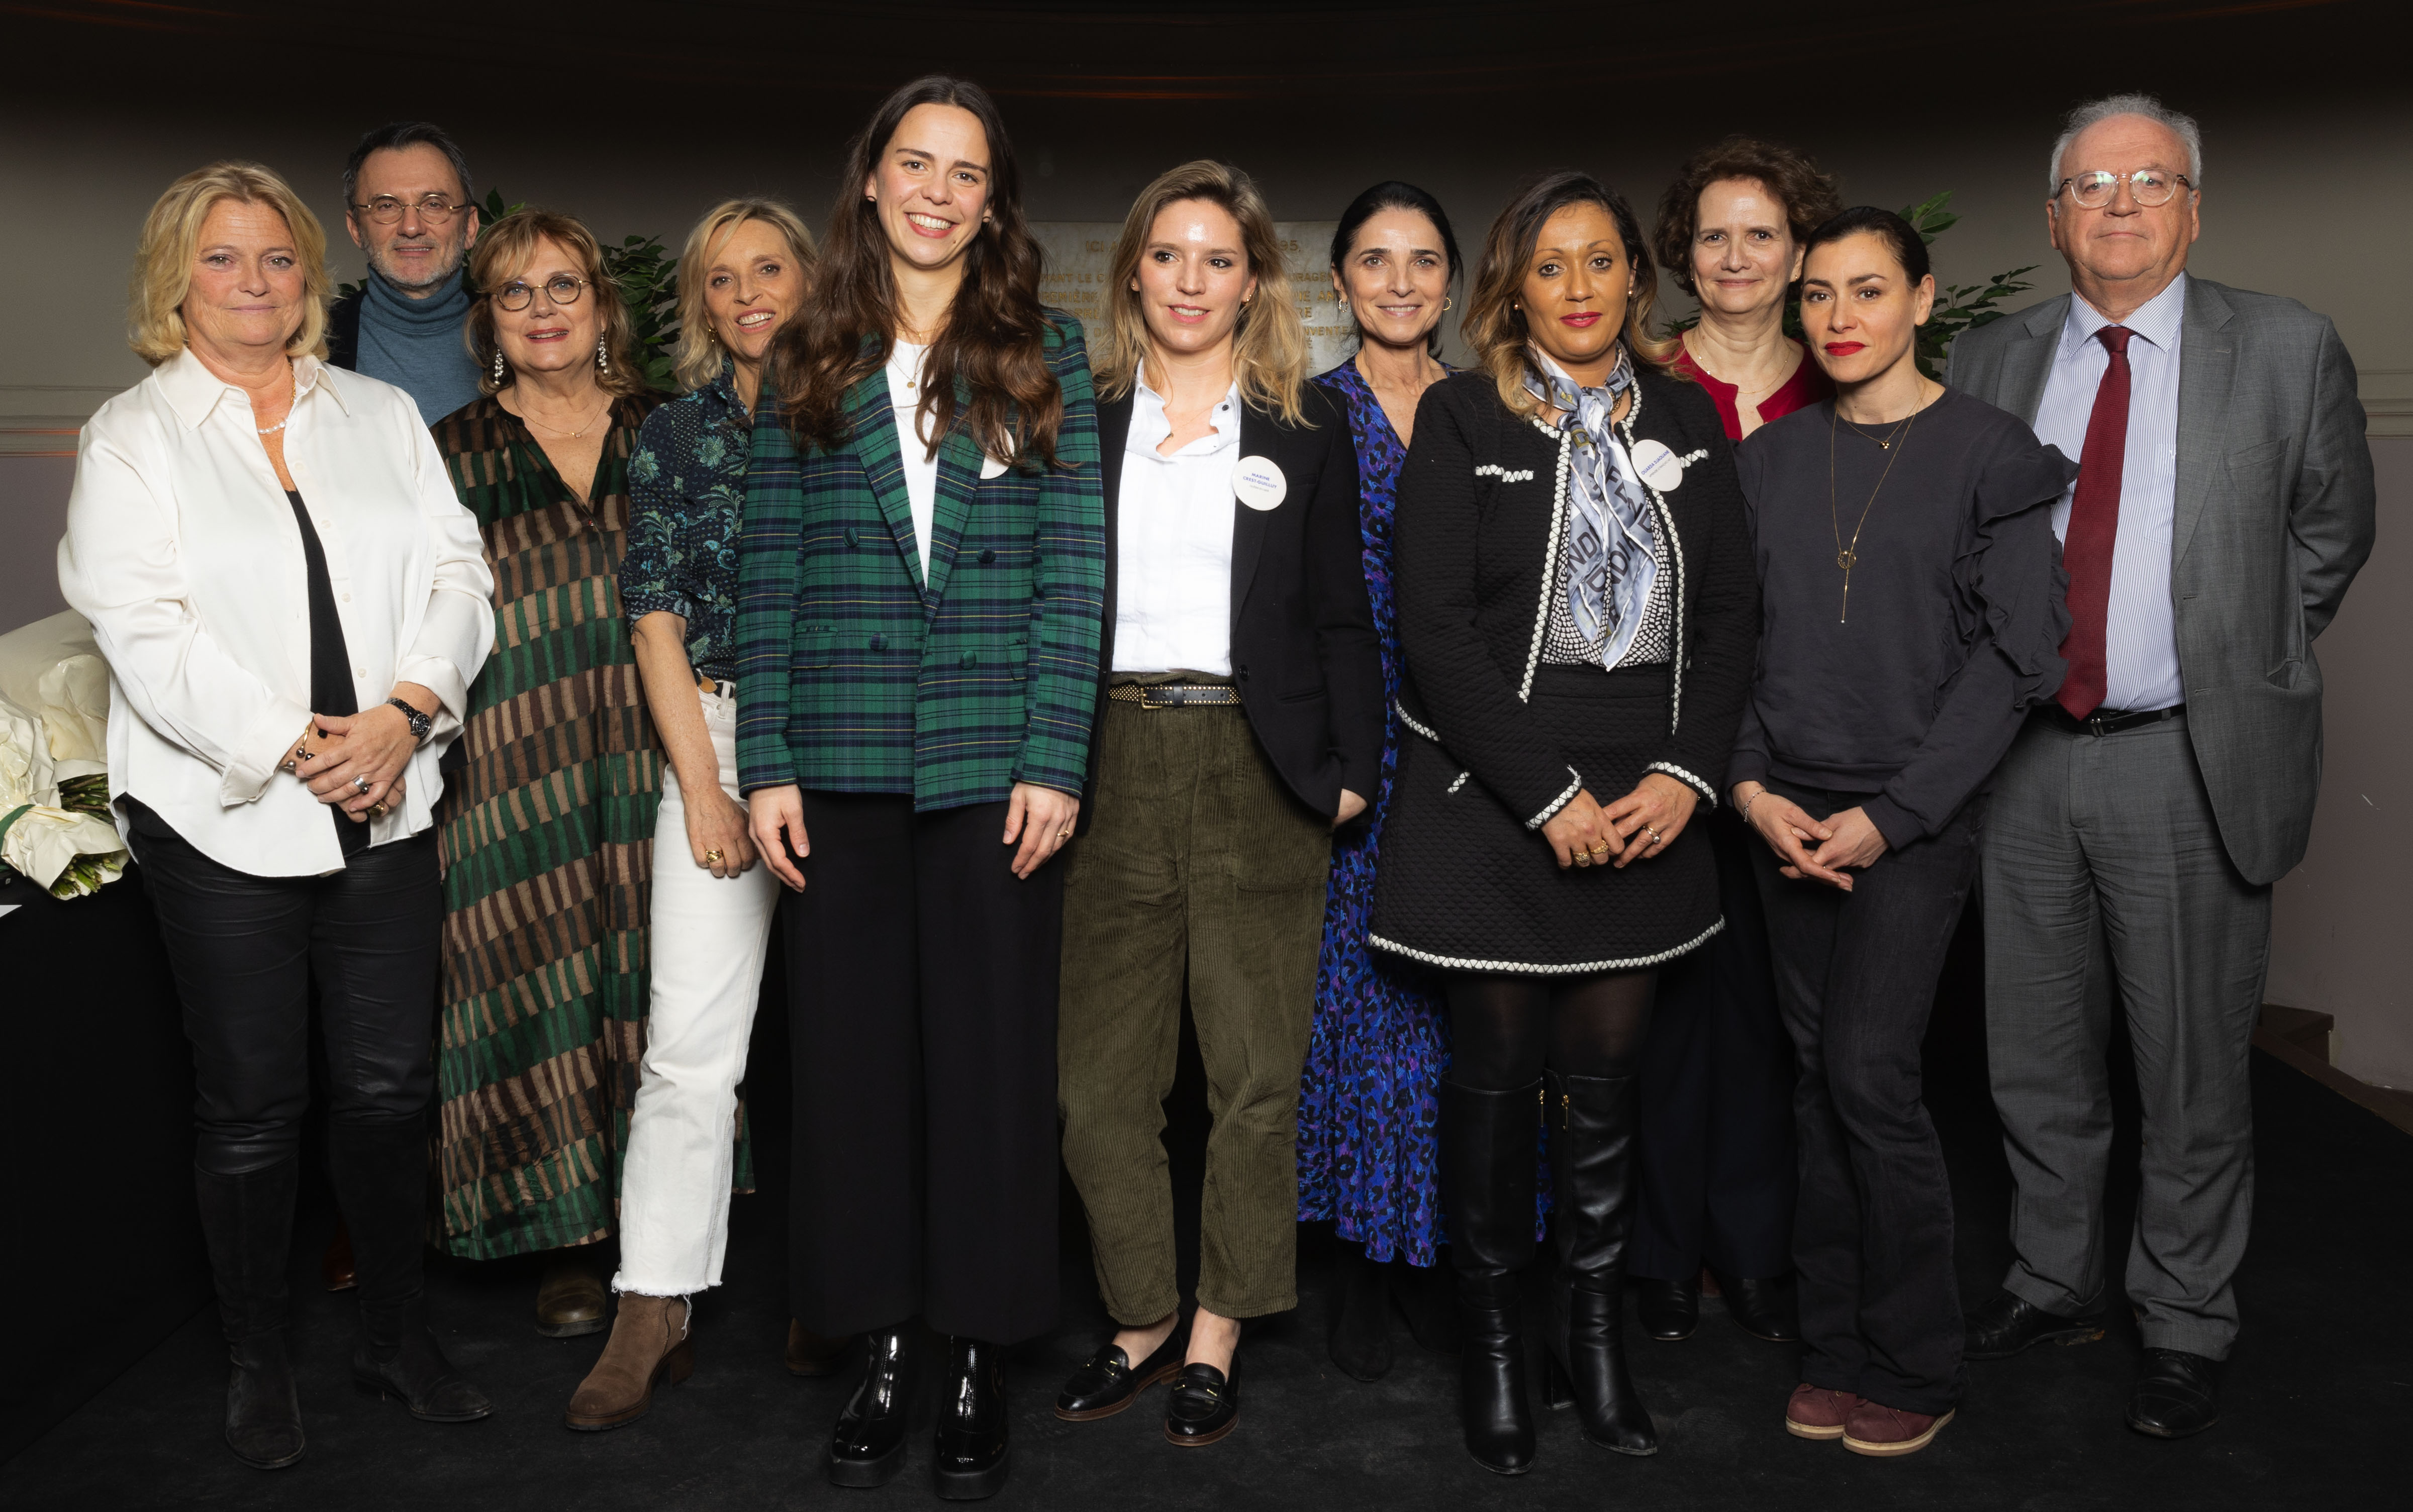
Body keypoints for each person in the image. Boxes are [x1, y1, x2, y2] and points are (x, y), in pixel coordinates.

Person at [59, 161, 495, 1469]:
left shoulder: (379, 412)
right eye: (222, 257)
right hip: (220, 815)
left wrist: (406, 713)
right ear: (174, 280)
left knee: (389, 1092)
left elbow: (458, 570)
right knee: (253, 1104)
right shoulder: (132, 435)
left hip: (388, 794)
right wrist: (304, 748)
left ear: (312, 274)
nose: (254, 282)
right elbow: (142, 629)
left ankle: (395, 1336)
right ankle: (258, 1359)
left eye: (278, 257)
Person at [1951, 93, 2375, 1440]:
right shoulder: (1992, 357)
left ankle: (2183, 1316)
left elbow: (2330, 533)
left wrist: (2236, 659)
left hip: (2186, 761)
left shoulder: (2286, 346)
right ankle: (2050, 1277)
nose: (2119, 204)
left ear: (2193, 207)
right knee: (2031, 1054)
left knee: (2189, 1069)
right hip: (2020, 761)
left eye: (2148, 180)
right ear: (2052, 217)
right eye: (2090, 185)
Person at [736, 75, 1104, 1499]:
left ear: (992, 200)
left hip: (992, 767)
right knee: (851, 1072)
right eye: (914, 163)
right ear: (872, 180)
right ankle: (881, 1340)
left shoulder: (1044, 349)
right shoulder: (806, 351)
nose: (937, 191)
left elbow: (1075, 573)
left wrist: (1055, 756)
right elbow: (770, 571)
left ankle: (974, 1351)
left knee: (991, 1070)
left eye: (965, 171)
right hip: (837, 764)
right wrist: (767, 762)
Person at [1371, 171, 1757, 1475]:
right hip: (1495, 801)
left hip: (1647, 807)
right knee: (1493, 1080)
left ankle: (1594, 1341)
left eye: (1601, 262)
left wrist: (1685, 776)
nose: (1579, 288)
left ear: (1636, 279)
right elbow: (1435, 633)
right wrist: (1547, 795)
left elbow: (1730, 618)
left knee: (1606, 1087)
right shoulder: (1462, 414)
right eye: (1550, 266)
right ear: (1513, 288)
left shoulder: (1689, 417)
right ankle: (1494, 1345)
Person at [1729, 207, 2074, 1459]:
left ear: (1922, 299)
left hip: (1909, 818)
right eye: (1817, 293)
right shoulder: (1768, 460)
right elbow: (1735, 643)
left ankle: (1914, 1358)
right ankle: (1833, 1344)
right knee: (1815, 1081)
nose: (1838, 317)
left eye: (1867, 289)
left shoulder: (1990, 452)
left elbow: (2018, 657)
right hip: (1782, 813)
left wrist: (1894, 815)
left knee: (1870, 1076)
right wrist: (1747, 785)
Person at [1051, 160, 1383, 1450]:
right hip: (1106, 760)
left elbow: (1342, 616)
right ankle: (1139, 1310)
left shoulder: (1304, 428)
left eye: (1219, 259)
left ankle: (1217, 1327)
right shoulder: (1076, 420)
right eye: (1168, 254)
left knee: (1251, 1077)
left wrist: (1351, 764)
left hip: (1259, 763)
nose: (1191, 280)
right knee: (1097, 1086)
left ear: (1252, 283)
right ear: (1133, 270)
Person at [564, 198, 820, 1431]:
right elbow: (653, 617)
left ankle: (837, 1280)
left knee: (847, 1035)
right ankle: (652, 1301)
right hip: (713, 734)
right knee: (688, 1041)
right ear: (700, 303)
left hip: (845, 743)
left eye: (768, 268)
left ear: (811, 278)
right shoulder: (671, 431)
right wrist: (705, 786)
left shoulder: (866, 412)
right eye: (722, 278)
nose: (748, 293)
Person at [428, 210, 666, 1338]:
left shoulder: (672, 429)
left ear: (601, 302)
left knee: (666, 986)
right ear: (488, 318)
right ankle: (561, 1233)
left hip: (663, 750)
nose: (542, 310)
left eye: (563, 285)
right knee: (528, 975)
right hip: (510, 756)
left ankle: (664, 1228)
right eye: (515, 292)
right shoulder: (444, 449)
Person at [1625, 136, 1843, 1346]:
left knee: (1769, 1013)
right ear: (1682, 253)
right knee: (1662, 1010)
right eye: (1712, 235)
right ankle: (1660, 1251)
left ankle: (1755, 1245)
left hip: (1803, 748)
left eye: (1761, 233)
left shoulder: (1846, 376)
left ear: (1798, 249)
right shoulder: (1638, 382)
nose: (1736, 256)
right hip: (1658, 741)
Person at [1295, 179, 1466, 1382]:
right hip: (1360, 755)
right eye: (1373, 259)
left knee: (1466, 1016)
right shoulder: (1304, 414)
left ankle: (1446, 1251)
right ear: (1340, 280)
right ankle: (1358, 1256)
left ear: (1450, 279)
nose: (1399, 282)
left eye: (1422, 260)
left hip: (1476, 754)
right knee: (1357, 1013)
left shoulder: (1491, 410)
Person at [327, 121, 483, 425]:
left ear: (470, 227)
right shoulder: (310, 344)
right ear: (356, 229)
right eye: (386, 206)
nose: (411, 227)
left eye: (434, 204)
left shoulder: (518, 334)